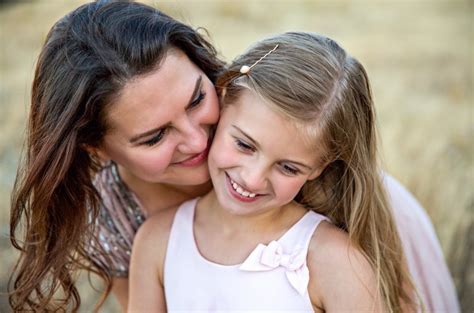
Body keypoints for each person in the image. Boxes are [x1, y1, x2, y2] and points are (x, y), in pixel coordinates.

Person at [128, 32, 420, 312]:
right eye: (244, 144)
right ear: (223, 98)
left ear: (320, 167)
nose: (253, 179)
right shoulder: (158, 240)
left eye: (288, 167)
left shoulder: (335, 261)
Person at [8, 1, 224, 311]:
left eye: (197, 99)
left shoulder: (274, 117)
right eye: (155, 136)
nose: (196, 140)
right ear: (95, 147)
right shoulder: (111, 221)